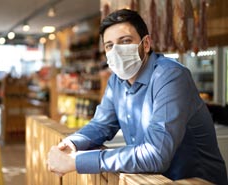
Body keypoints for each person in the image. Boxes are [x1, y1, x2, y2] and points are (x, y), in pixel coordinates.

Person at [47, 9, 228, 184]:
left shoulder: (170, 76)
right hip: (149, 179)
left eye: (125, 41)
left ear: (146, 44)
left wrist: (78, 161)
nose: (116, 51)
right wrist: (72, 143)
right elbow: (101, 125)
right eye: (109, 46)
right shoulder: (116, 81)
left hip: (196, 180)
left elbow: (155, 154)